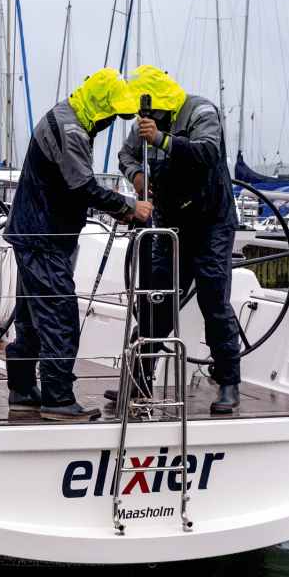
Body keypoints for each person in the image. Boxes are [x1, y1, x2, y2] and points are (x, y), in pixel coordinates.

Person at [5, 68, 152, 421]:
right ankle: (57, 399)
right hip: (43, 239)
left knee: (31, 319)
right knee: (59, 317)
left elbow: (70, 187)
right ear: (100, 107)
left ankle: (23, 390)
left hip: (34, 233)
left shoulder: (66, 118)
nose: (112, 121)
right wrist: (129, 207)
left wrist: (117, 209)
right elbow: (81, 186)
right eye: (113, 114)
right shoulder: (70, 131)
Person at [110, 65, 242, 414]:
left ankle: (228, 381)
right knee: (156, 301)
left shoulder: (201, 112)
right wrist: (136, 174)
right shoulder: (143, 124)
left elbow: (208, 153)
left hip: (211, 223)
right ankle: (139, 380)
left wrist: (162, 140)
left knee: (214, 299)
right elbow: (124, 155)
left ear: (162, 106)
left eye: (147, 114)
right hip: (171, 224)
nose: (142, 119)